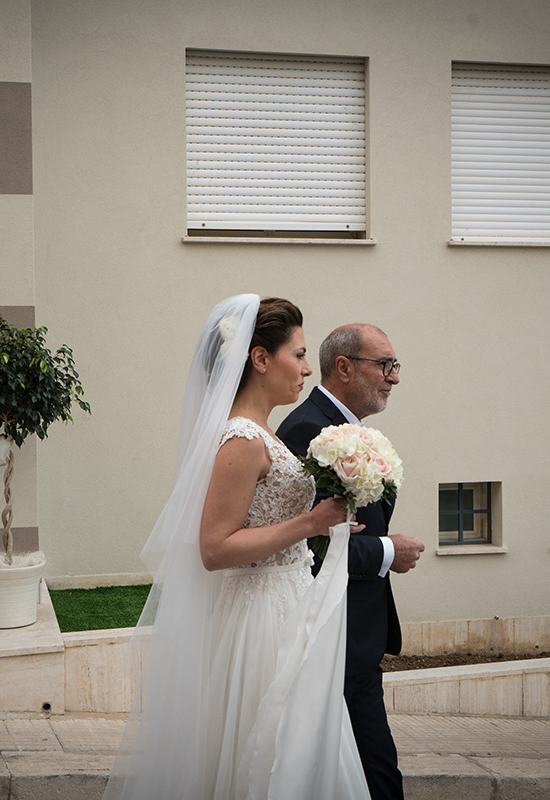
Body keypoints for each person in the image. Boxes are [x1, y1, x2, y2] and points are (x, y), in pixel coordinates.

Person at [105, 295, 371, 800]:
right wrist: (309, 522)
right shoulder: (243, 440)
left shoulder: (263, 433)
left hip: (288, 602)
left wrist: (323, 526)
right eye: (298, 353)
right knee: (271, 753)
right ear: (259, 358)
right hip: (261, 620)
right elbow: (214, 548)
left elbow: (269, 522)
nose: (307, 368)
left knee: (304, 747)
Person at [277, 324, 424, 800]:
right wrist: (386, 551)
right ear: (344, 367)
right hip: (332, 634)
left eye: (394, 366)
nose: (393, 378)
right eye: (384, 365)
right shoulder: (305, 430)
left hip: (356, 638)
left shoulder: (348, 431)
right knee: (372, 776)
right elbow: (311, 542)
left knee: (365, 773)